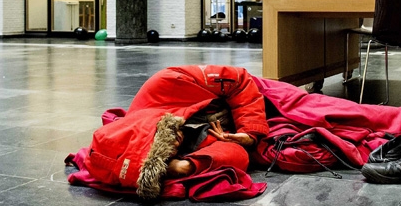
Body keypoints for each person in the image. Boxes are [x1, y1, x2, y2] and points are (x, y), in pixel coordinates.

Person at [75, 65, 269, 199]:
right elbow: (237, 156)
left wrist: (250, 133)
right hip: (214, 130)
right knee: (240, 156)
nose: (174, 144)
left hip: (251, 100)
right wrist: (185, 166)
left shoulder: (169, 81)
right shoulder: (174, 143)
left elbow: (239, 79)